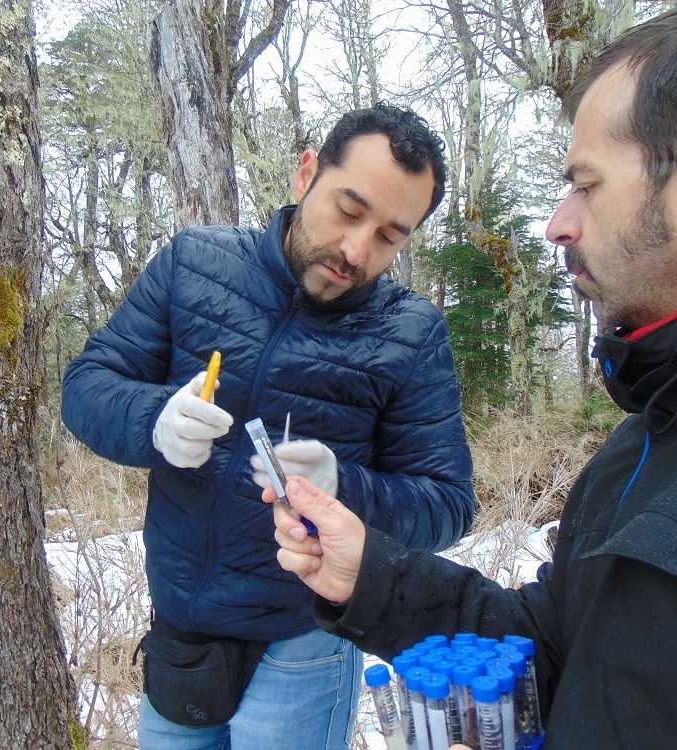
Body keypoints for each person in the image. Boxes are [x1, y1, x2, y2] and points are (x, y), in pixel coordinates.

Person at [263, 2, 677, 747]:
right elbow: (551, 650)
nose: (557, 224)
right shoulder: (649, 434)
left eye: (586, 183)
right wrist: (371, 576)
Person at [61, 103, 476, 749]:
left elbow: (448, 503)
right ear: (306, 173)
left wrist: (347, 488)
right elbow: (86, 386)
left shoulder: (411, 334)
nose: (357, 250)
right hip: (181, 628)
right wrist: (153, 420)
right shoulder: (194, 264)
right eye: (349, 208)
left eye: (391, 235)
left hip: (304, 638)